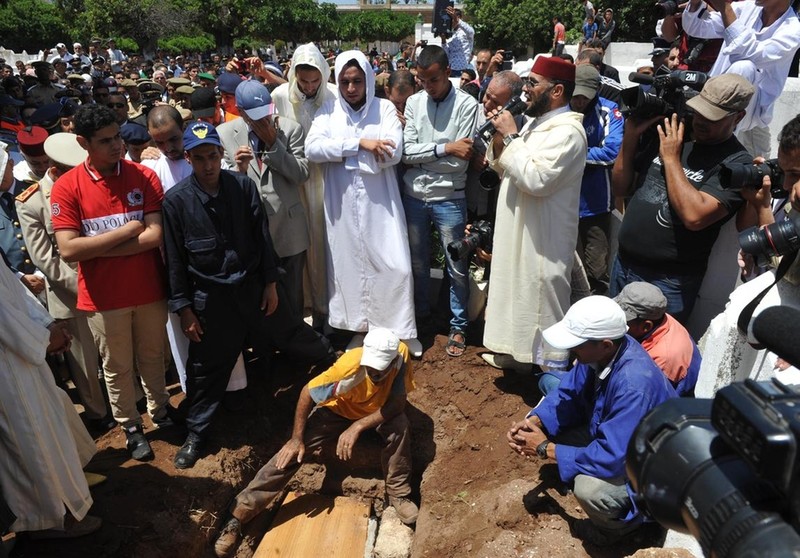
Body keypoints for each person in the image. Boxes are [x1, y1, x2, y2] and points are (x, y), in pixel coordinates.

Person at [212, 328, 419, 558]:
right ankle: (240, 514)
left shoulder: (400, 354)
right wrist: (296, 439)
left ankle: (399, 495)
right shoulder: (348, 368)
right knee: (292, 454)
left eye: (379, 371)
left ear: (392, 363)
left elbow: (397, 403)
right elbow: (306, 393)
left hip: (377, 411)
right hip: (338, 411)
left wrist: (358, 426)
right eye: (369, 368)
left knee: (400, 427)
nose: (372, 374)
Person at [51, 104, 174, 461]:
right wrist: (129, 230)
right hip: (104, 299)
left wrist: (100, 249)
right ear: (83, 143)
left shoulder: (143, 177)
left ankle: (161, 412)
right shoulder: (67, 187)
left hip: (149, 289)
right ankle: (131, 426)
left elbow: (155, 236)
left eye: (117, 136)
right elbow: (69, 249)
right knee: (117, 366)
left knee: (154, 356)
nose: (116, 145)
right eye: (105, 141)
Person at [507, 296, 677, 545]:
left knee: (589, 490)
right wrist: (535, 421)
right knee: (556, 419)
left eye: (577, 344)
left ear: (605, 345)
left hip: (649, 469)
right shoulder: (602, 352)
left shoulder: (634, 385)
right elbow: (569, 393)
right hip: (619, 438)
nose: (571, 350)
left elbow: (613, 457)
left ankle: (622, 533)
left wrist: (545, 448)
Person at [610, 74, 755, 323]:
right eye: (699, 112)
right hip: (623, 265)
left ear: (738, 117)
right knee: (610, 345)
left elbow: (694, 217)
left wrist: (670, 159)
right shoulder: (674, 134)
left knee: (654, 356)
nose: (700, 121)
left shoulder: (736, 163)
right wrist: (631, 135)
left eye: (712, 117)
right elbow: (620, 187)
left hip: (667, 281)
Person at [480, 56, 587, 372]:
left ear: (556, 92)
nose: (525, 89)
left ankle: (550, 373)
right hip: (520, 229)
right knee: (517, 292)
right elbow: (504, 167)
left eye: (532, 83)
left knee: (541, 301)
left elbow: (536, 180)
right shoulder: (536, 124)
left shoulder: (569, 133)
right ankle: (517, 357)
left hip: (544, 239)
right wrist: (500, 138)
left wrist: (511, 136)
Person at [305, 50, 418, 349]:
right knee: (350, 265)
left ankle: (401, 330)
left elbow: (392, 153)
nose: (351, 89)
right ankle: (363, 329)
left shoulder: (384, 110)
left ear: (368, 80)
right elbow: (313, 150)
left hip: (380, 204)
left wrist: (342, 154)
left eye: (357, 81)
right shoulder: (328, 112)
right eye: (344, 82)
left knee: (394, 265)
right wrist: (361, 144)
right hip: (341, 205)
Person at [0, 254, 102, 539]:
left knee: (50, 423)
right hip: (8, 364)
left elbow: (11, 287)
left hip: (22, 352)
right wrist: (43, 339)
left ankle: (67, 497)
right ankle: (47, 519)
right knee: (29, 441)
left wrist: (47, 327)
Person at [14, 133, 109, 424]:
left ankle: (130, 406)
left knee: (114, 353)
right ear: (55, 170)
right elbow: (45, 258)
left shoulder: (92, 185)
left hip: (107, 284)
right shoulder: (31, 202)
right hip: (71, 294)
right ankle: (98, 414)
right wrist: (81, 285)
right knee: (84, 363)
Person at [402, 45, 479, 357]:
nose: (427, 86)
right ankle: (421, 318)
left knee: (456, 264)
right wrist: (445, 149)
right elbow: (405, 153)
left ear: (448, 73)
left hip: (449, 197)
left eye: (432, 79)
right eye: (422, 80)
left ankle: (458, 325)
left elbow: (462, 163)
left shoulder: (467, 105)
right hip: (414, 197)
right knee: (417, 262)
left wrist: (425, 155)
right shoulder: (413, 102)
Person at [217, 80, 310, 319]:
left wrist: (273, 143)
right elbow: (221, 186)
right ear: (240, 111)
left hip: (289, 229)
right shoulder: (225, 134)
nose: (262, 121)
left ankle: (296, 345)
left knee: (292, 295)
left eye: (265, 114)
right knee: (260, 299)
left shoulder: (290, 129)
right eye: (254, 116)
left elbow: (301, 174)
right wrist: (238, 170)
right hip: (252, 232)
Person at [270, 44, 338, 328]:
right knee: (300, 246)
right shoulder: (279, 96)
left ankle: (330, 308)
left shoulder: (334, 95)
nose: (310, 87)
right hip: (294, 183)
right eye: (304, 81)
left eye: (315, 81)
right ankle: (307, 308)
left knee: (326, 245)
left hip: (327, 181)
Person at [681, 0, 800, 157]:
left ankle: (720, 150)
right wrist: (695, 4)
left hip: (753, 112)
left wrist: (725, 8)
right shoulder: (747, 8)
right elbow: (697, 27)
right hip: (712, 99)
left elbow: (753, 53)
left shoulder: (793, 30)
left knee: (745, 67)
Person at [569, 65, 624, 296]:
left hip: (595, 205)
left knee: (597, 270)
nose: (580, 100)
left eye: (585, 95)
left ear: (598, 90)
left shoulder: (610, 112)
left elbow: (612, 151)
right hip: (564, 203)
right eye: (576, 94)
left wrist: (572, 154)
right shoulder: (562, 108)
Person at [614, 282, 701, 396]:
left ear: (646, 326)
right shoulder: (659, 318)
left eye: (623, 320)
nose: (615, 321)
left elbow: (646, 395)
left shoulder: (661, 360)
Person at [440, 7, 475, 73]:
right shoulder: (450, 33)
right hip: (450, 69)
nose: (450, 22)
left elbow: (471, 32)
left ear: (458, 17)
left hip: (462, 70)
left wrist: (456, 19)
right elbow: (447, 53)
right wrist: (443, 40)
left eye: (451, 19)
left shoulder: (465, 31)